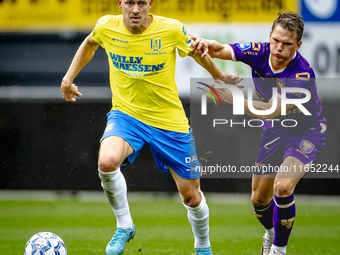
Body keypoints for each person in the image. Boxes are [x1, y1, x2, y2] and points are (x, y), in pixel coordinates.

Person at [61, 0, 241, 254]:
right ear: (120, 3)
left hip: (168, 120)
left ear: (150, 4)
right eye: (130, 2)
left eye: (141, 3)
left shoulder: (171, 29)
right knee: (106, 162)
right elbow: (90, 43)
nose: (135, 9)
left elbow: (197, 50)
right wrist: (69, 79)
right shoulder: (106, 26)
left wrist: (218, 76)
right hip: (127, 115)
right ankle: (125, 226)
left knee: (191, 195)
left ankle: (202, 247)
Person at [191, 11, 327, 255]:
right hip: (275, 133)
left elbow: (270, 111)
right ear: (270, 37)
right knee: (258, 201)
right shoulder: (260, 51)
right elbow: (221, 49)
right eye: (275, 40)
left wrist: (234, 99)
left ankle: (278, 249)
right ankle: (272, 232)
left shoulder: (302, 75)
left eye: (286, 44)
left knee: (283, 187)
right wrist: (206, 45)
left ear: (298, 45)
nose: (278, 48)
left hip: (306, 132)